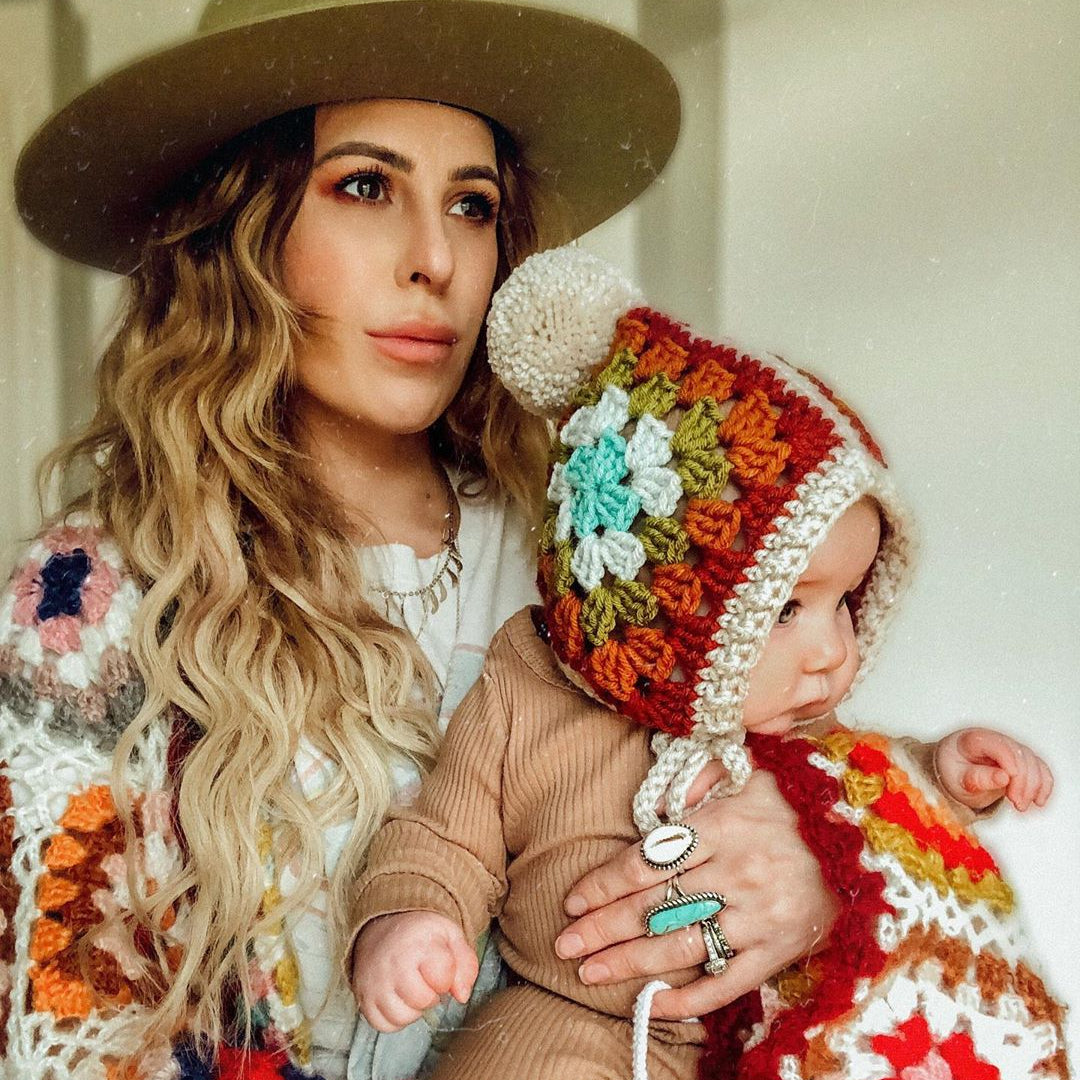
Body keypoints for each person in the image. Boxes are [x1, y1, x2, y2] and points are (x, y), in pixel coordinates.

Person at [0, 3, 850, 1079]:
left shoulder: (598, 557)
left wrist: (819, 859)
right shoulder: (90, 592)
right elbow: (78, 1025)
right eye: (365, 187)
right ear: (238, 234)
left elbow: (809, 750)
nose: (437, 260)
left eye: (472, 204)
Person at [350, 247, 1068, 1080]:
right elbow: (446, 834)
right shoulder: (528, 683)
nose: (834, 652)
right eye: (789, 609)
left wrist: (939, 776)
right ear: (667, 603)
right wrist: (411, 920)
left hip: (773, 1030)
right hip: (571, 1015)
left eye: (846, 601)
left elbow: (861, 793)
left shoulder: (793, 719)